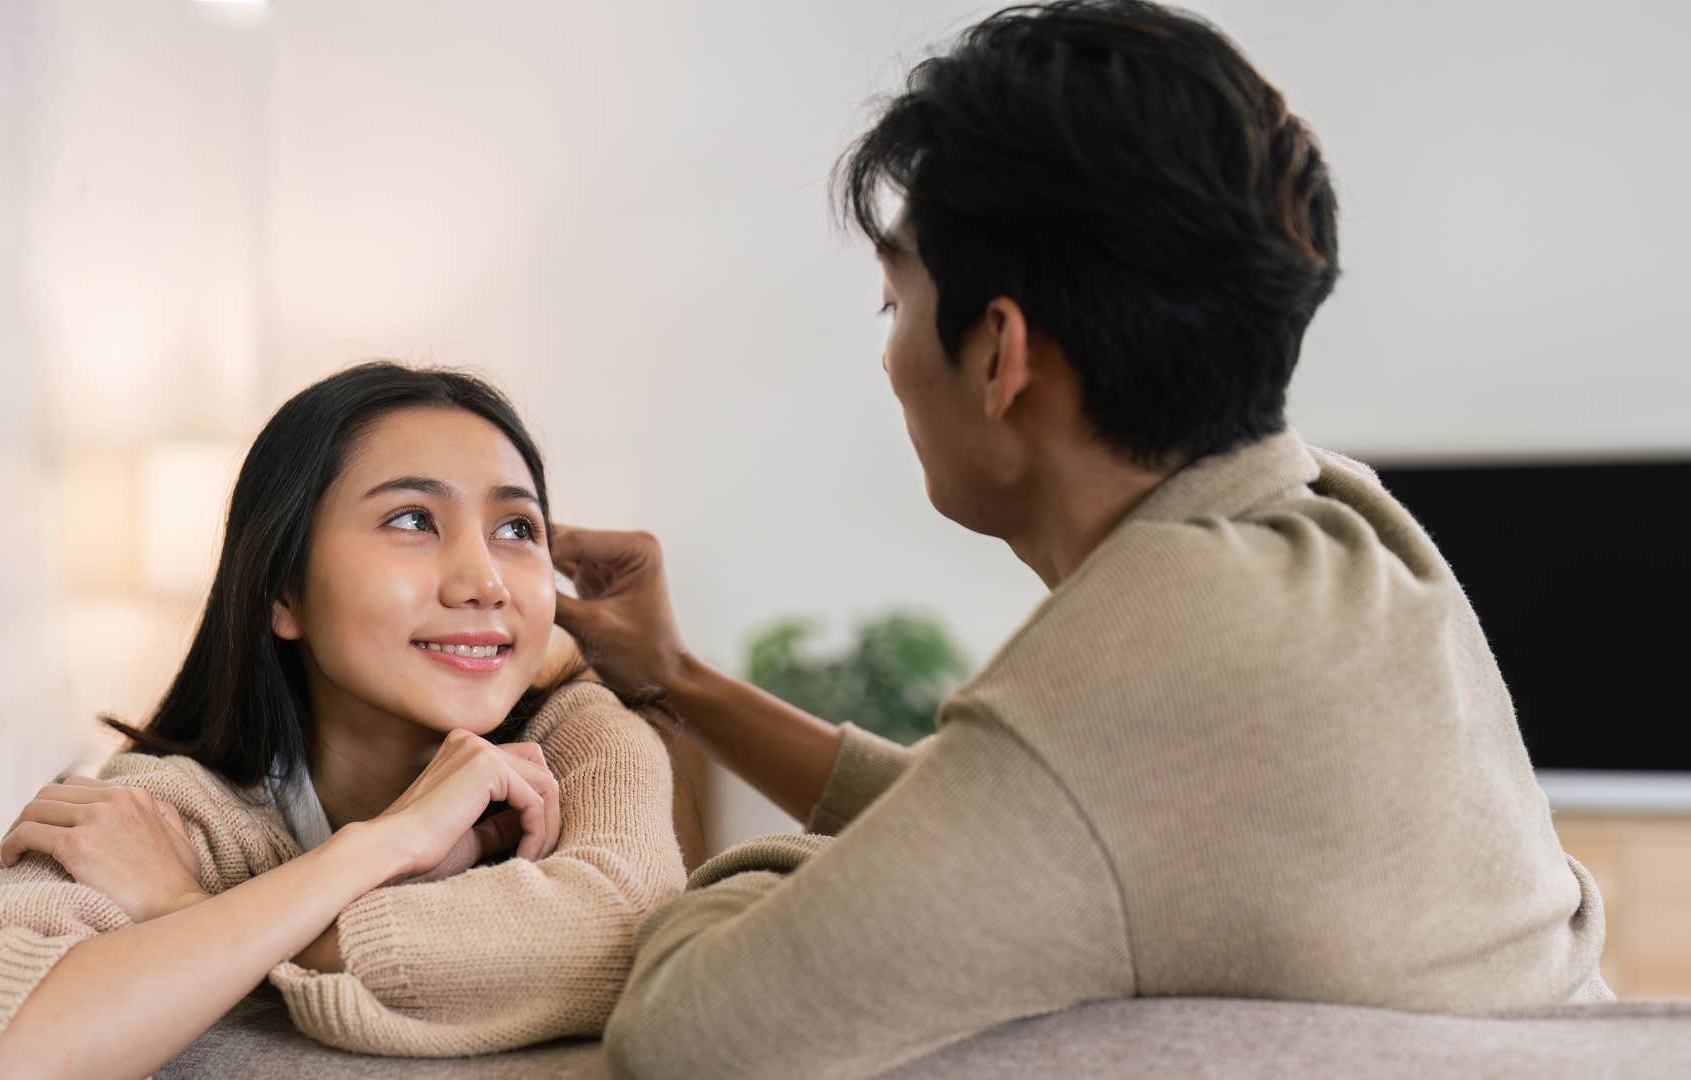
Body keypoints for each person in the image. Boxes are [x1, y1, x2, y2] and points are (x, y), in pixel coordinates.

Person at [557, 3, 1611, 1076]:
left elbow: (693, 1040)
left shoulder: (1155, 656)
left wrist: (740, 879)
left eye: (893, 305)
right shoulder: (1341, 528)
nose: (887, 363)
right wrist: (678, 678)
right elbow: (1008, 811)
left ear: (1000, 352)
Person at [0, 363, 685, 1080]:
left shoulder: (586, 735)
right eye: (412, 519)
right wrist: (382, 845)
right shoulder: (168, 809)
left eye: (517, 529)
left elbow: (622, 936)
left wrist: (183, 910)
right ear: (284, 592)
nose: (484, 581)